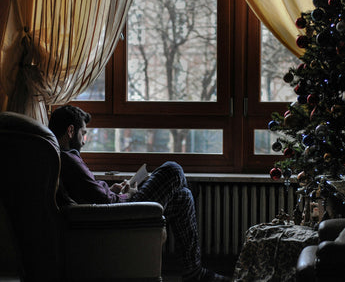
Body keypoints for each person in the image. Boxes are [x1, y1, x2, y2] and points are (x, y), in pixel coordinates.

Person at [48, 105, 230, 282]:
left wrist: (111, 190)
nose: (84, 140)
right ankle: (195, 273)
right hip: (116, 215)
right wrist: (129, 195)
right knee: (172, 170)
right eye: (83, 133)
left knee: (183, 197)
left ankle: (193, 272)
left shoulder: (61, 158)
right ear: (71, 131)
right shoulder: (68, 159)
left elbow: (92, 194)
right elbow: (99, 199)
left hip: (111, 209)